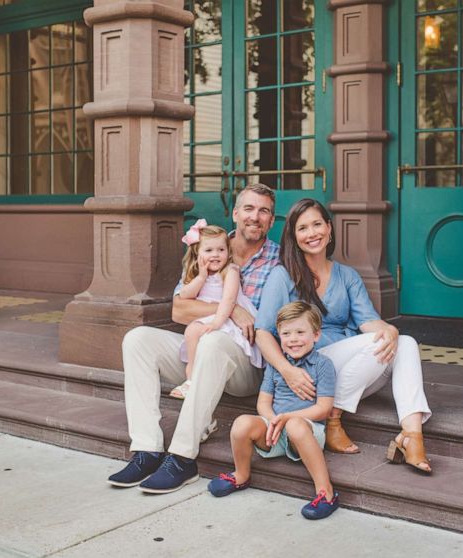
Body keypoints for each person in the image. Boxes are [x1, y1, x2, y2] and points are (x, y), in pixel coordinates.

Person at [109, 184, 280, 493]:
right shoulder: (207, 247)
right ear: (236, 213)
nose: (256, 217)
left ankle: (183, 458)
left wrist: (235, 315)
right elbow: (179, 309)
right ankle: (147, 449)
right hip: (201, 347)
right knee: (137, 339)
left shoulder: (279, 262)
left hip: (246, 366)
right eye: (250, 209)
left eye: (264, 211)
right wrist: (229, 312)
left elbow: (267, 325)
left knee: (214, 341)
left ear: (271, 219)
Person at [255, 198, 433, 474]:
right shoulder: (283, 275)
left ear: (329, 227)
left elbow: (368, 322)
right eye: (303, 228)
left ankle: (410, 435)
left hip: (350, 372)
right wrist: (287, 370)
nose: (312, 233)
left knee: (404, 342)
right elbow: (263, 332)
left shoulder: (347, 275)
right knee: (383, 346)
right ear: (293, 236)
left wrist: (390, 329)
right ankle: (335, 419)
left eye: (317, 224)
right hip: (308, 372)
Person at [207, 301, 340, 520]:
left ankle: (326, 492)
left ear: (316, 335)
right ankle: (241, 474)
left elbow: (323, 409)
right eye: (286, 333)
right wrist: (273, 420)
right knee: (242, 422)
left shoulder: (322, 365)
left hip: (306, 430)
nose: (293, 339)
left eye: (300, 332)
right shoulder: (276, 365)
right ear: (279, 337)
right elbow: (263, 404)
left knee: (296, 426)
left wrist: (287, 418)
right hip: (275, 429)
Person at [173, 221, 262, 399]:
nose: (215, 255)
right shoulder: (198, 273)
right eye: (208, 250)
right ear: (197, 253)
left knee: (198, 333)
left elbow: (228, 301)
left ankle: (194, 381)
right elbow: (184, 296)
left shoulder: (231, 271)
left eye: (221, 250)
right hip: (212, 317)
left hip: (227, 319)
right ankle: (191, 378)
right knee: (192, 332)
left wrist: (217, 322)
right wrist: (201, 277)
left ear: (228, 252)